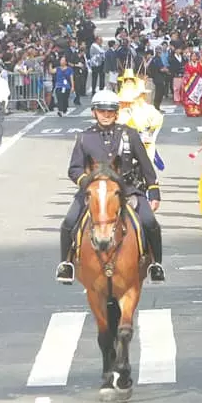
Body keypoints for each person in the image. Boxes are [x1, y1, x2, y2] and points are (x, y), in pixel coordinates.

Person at [55, 89, 165, 284]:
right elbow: (74, 169)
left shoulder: (129, 134)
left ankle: (156, 265)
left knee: (150, 223)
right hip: (94, 192)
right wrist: (89, 184)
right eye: (101, 111)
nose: (106, 115)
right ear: (94, 112)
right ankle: (66, 264)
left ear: (116, 113)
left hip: (128, 190)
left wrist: (153, 190)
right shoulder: (84, 137)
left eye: (110, 112)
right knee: (69, 222)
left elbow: (146, 165)